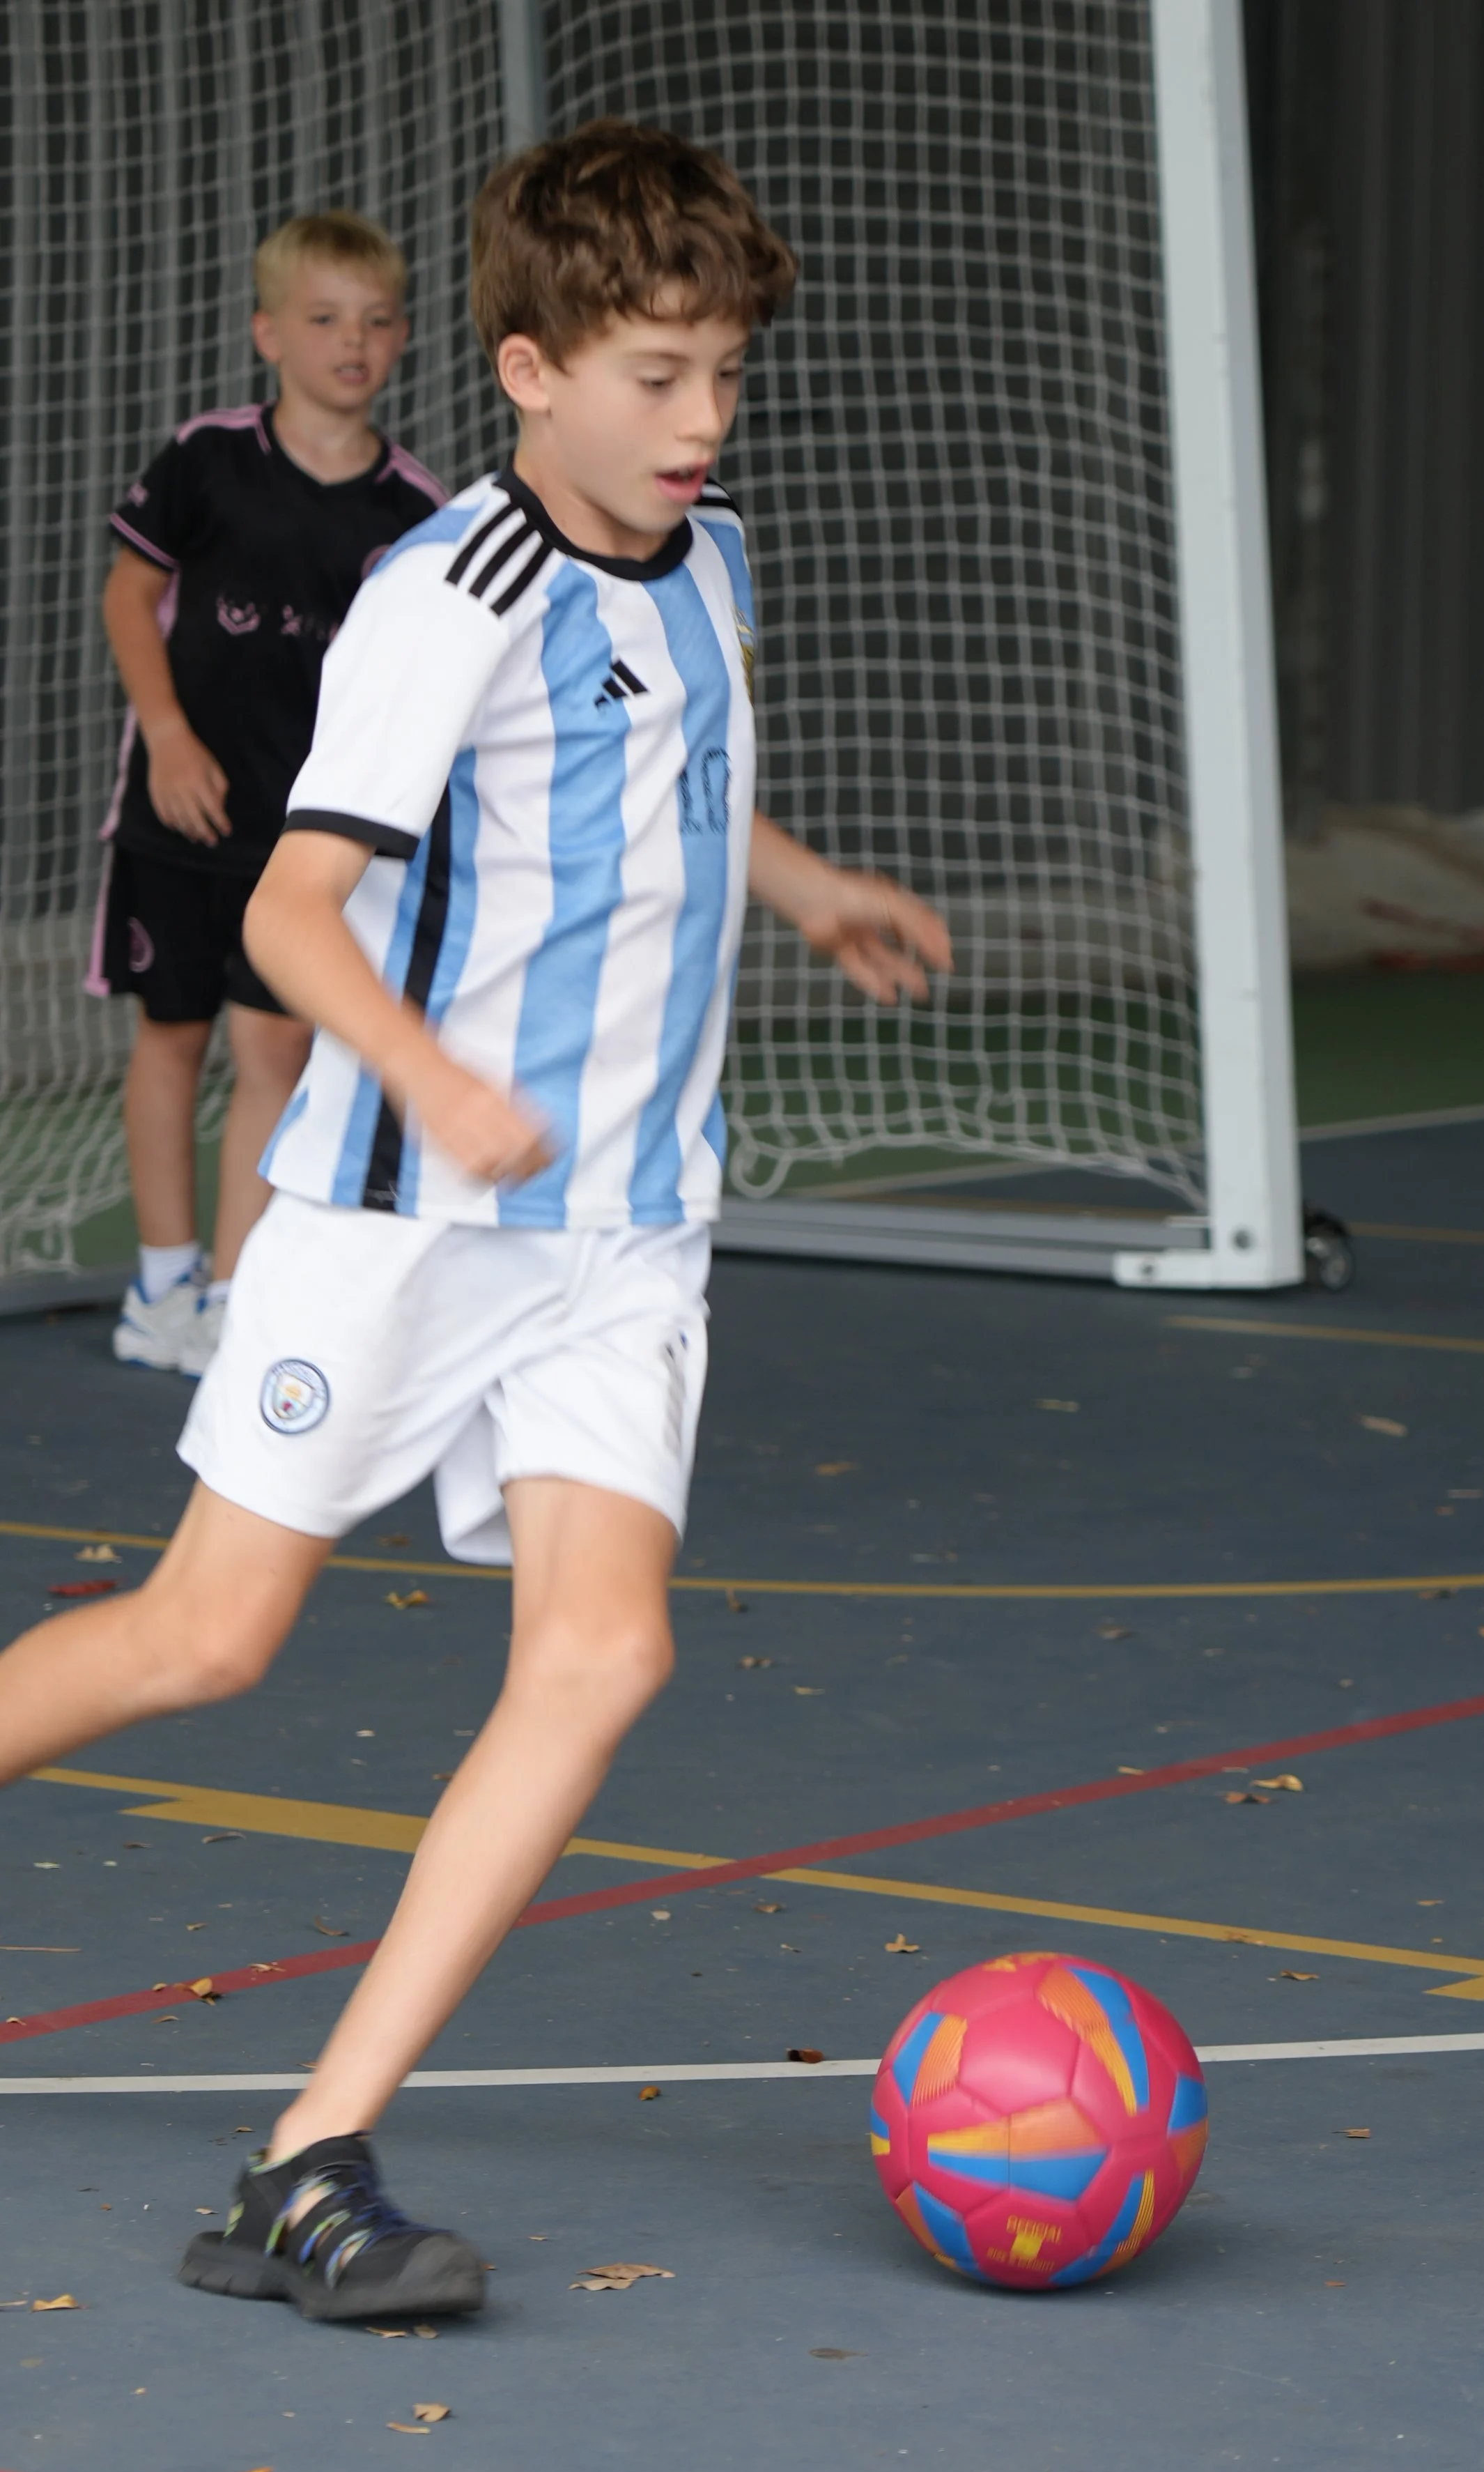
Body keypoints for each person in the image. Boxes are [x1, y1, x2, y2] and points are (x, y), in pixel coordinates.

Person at [3, 121, 951, 2324]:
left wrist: (801, 886)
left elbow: (677, 779)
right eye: (655, 374)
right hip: (403, 1215)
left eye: (723, 373)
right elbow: (291, 904)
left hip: (623, 1230)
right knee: (203, 1639)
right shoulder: (450, 598)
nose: (702, 421)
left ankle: (308, 2152)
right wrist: (427, 1072)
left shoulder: (708, 554)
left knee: (606, 1651)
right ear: (526, 369)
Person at [95, 210, 445, 1379]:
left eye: (378, 321)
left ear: (402, 340)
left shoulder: (416, 514)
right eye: (324, 320)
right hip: (181, 814)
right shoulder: (205, 460)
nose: (355, 342)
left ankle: (239, 1295)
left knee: (277, 1052)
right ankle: (162, 1287)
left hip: (305, 846)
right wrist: (168, 735)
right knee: (172, 1035)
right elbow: (127, 597)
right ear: (268, 335)